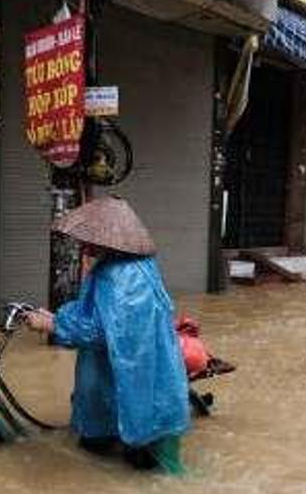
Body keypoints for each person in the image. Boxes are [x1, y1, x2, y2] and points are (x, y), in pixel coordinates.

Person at [24, 197, 190, 473]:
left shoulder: (114, 276)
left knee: (137, 466)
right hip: (152, 375)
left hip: (131, 382)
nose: (82, 245)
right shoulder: (141, 267)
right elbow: (98, 313)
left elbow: (100, 332)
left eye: (89, 240)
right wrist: (59, 317)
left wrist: (52, 326)